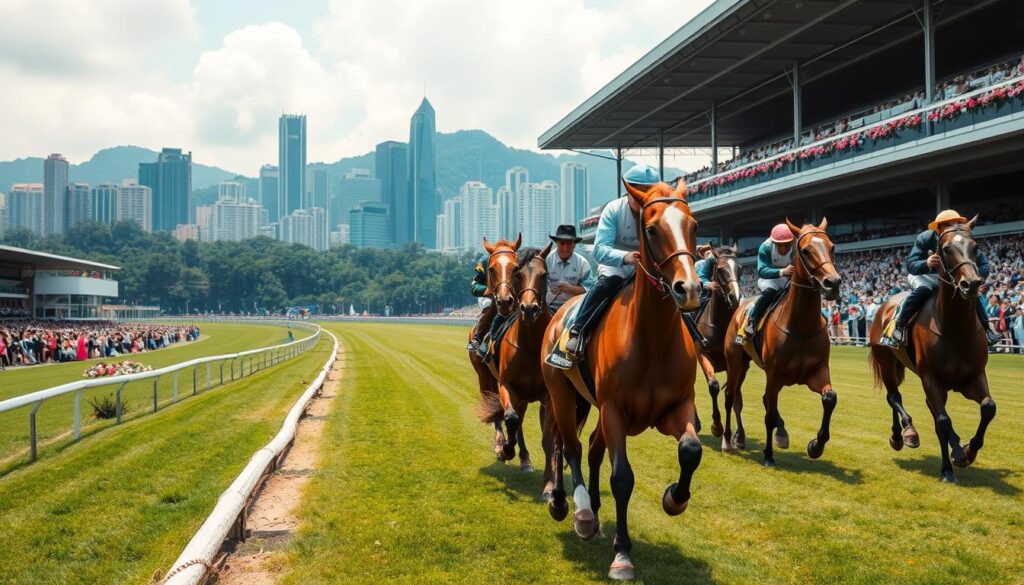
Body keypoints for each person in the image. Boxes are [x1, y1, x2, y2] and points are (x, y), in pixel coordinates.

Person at [564, 164, 657, 361]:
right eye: (639, 192)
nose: (644, 199)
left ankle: (693, 334)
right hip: (616, 266)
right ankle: (578, 331)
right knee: (608, 283)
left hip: (647, 267)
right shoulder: (613, 210)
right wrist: (625, 257)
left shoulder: (658, 211)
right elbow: (599, 250)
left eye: (649, 192)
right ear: (628, 191)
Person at [886, 209, 1001, 347]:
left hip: (950, 277)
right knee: (924, 289)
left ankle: (988, 329)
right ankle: (900, 326)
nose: (954, 227)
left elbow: (984, 266)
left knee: (971, 294)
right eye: (949, 224)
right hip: (924, 275)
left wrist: (975, 279)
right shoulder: (926, 237)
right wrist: (926, 263)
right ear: (939, 227)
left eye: (957, 223)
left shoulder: (962, 240)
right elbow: (910, 265)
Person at [740, 223, 795, 341]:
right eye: (781, 246)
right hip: (769, 280)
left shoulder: (795, 247)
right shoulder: (765, 247)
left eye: (787, 245)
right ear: (774, 243)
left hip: (787, 279)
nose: (785, 249)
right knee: (771, 292)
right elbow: (762, 271)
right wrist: (782, 271)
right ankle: (752, 319)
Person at [545, 225, 595, 314]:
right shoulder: (546, 261)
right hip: (548, 307)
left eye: (569, 243)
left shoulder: (583, 263)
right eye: (562, 243)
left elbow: (590, 289)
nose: (565, 248)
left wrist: (570, 288)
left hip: (574, 309)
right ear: (556, 243)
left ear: (574, 244)